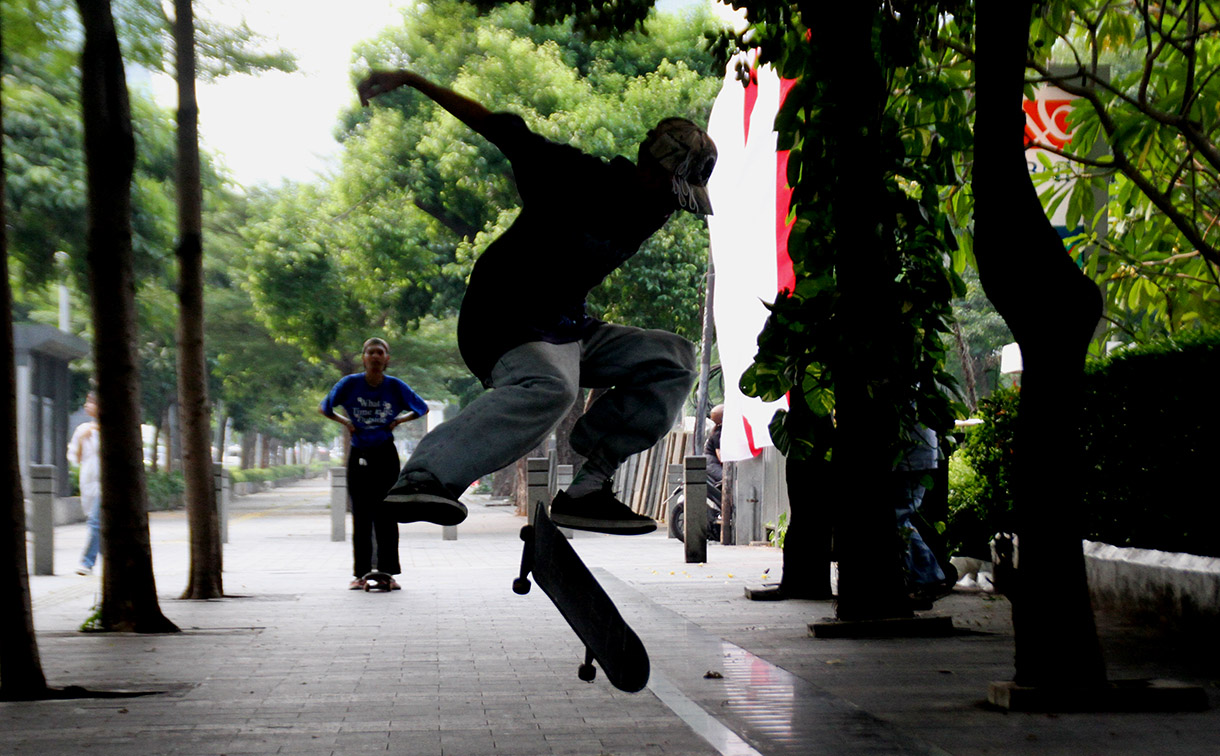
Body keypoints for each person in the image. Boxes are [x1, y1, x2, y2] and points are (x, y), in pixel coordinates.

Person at [357, 69, 717, 535]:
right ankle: (426, 475)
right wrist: (412, 80)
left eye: (682, 202)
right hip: (501, 318)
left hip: (565, 325)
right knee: (553, 385)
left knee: (674, 358)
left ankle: (588, 489)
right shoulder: (570, 175)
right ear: (650, 165)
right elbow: (497, 127)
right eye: (672, 192)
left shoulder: (652, 210)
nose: (672, 208)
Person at [320, 338, 430, 590]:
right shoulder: (350, 384)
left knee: (388, 512)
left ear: (387, 358)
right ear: (364, 357)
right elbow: (325, 407)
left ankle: (387, 573)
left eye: (380, 352)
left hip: (385, 453)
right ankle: (360, 574)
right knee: (361, 513)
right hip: (359, 451)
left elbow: (421, 408)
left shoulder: (394, 386)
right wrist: (346, 422)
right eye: (371, 352)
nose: (376, 356)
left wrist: (398, 421)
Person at [895, 423, 954, 606]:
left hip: (910, 457)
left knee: (898, 518)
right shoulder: (918, 397)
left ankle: (929, 576)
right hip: (922, 454)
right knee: (901, 516)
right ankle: (927, 577)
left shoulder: (902, 399)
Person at [68, 392, 101, 576]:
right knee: (98, 524)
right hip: (89, 481)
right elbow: (76, 458)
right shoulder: (82, 429)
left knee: (95, 522)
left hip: (104, 484)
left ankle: (87, 562)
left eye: (91, 402)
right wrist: (83, 439)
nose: (87, 405)